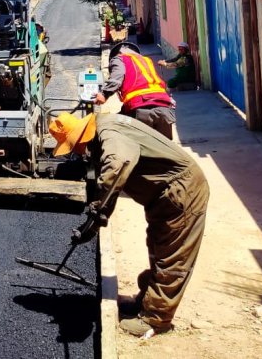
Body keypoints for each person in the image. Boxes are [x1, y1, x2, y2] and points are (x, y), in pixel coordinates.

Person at [49, 110, 209, 338]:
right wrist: (94, 222)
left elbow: (119, 164)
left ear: (80, 137)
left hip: (181, 192)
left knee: (172, 256)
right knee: (157, 248)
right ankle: (146, 301)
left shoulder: (109, 132)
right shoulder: (104, 130)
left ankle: (155, 320)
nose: (76, 152)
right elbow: (113, 184)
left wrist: (97, 211)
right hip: (162, 196)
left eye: (73, 147)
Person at [94, 41, 177, 139]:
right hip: (165, 108)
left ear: (118, 53)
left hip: (141, 108)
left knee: (124, 138)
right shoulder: (146, 60)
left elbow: (117, 77)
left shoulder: (119, 58)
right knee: (164, 145)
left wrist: (104, 94)